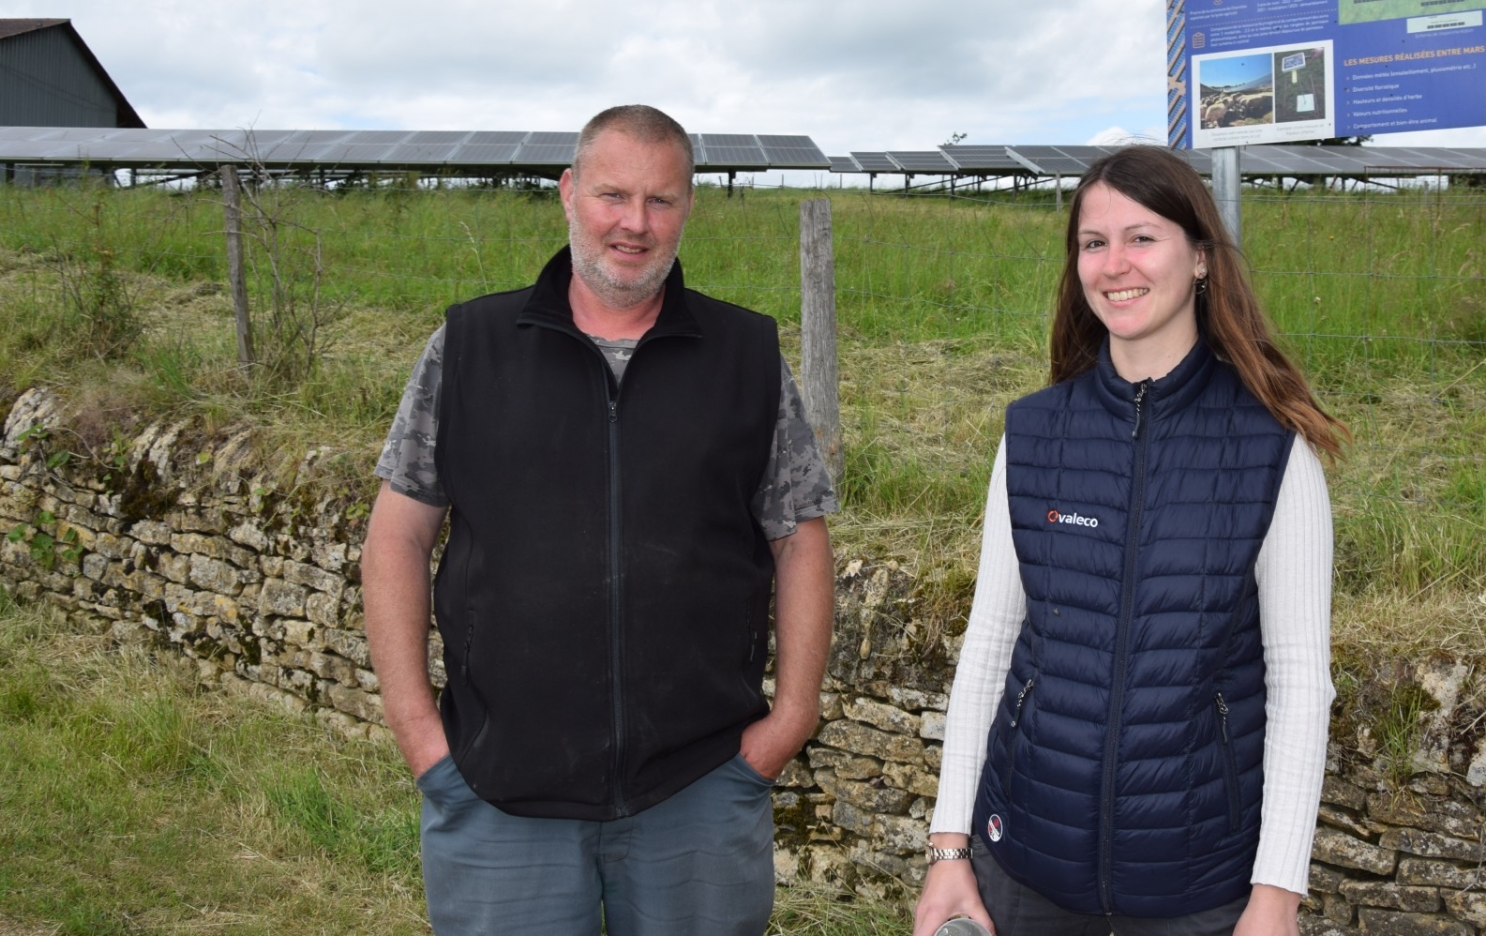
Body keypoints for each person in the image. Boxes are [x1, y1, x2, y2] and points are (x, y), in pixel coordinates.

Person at [362, 105, 836, 936]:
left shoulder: (746, 356)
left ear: (688, 208)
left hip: (697, 788)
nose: (635, 223)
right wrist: (421, 738)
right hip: (500, 792)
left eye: (661, 200)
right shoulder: (470, 346)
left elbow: (799, 536)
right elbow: (396, 535)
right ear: (568, 193)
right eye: (613, 195)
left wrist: (789, 719)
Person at [913, 146, 1341, 936]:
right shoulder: (1034, 433)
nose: (1115, 265)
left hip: (1199, 887)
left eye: (1142, 237)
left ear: (1202, 256)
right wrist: (949, 849)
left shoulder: (1275, 449)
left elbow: (1299, 682)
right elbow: (990, 648)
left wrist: (1276, 895)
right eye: (1093, 242)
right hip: (1023, 868)